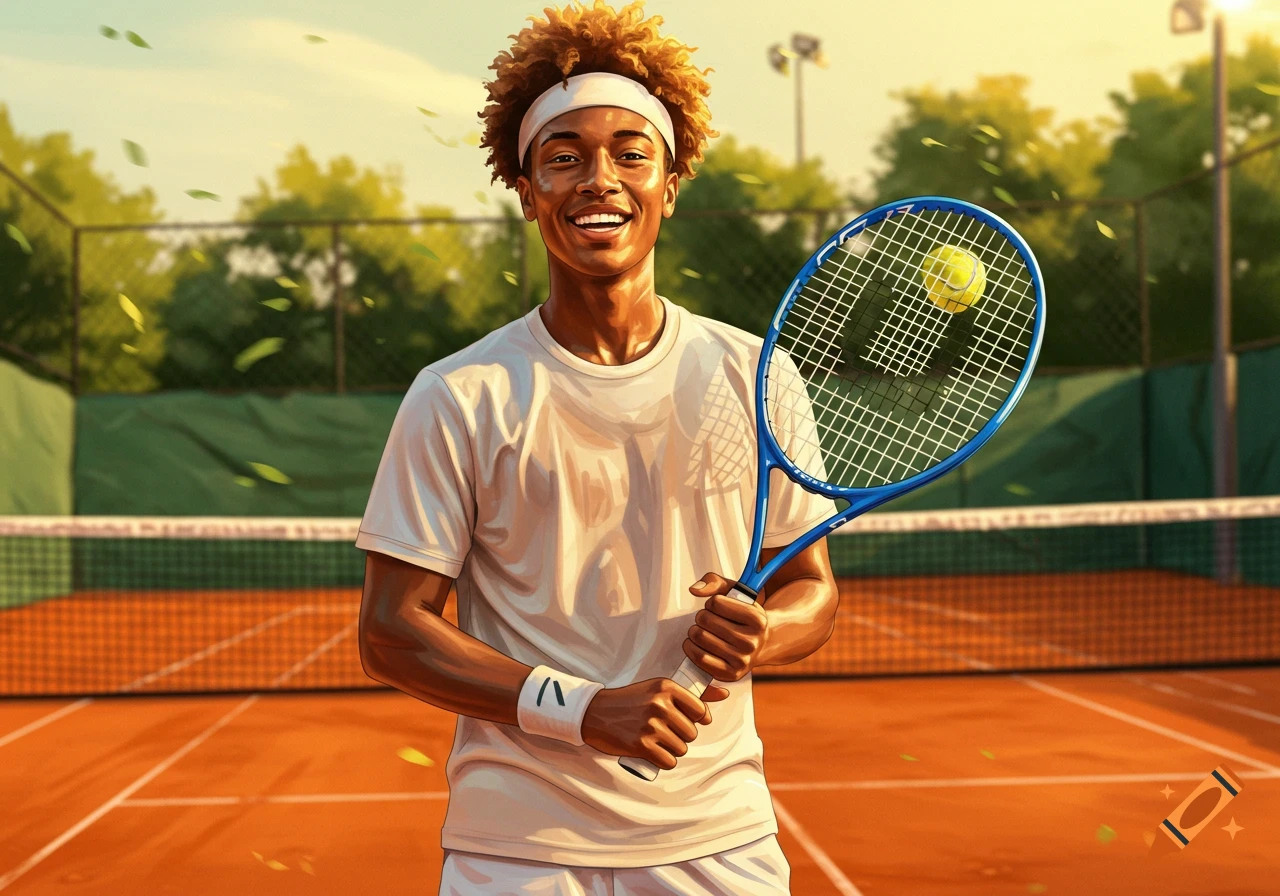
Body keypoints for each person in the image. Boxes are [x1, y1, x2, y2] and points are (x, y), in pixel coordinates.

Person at [356, 3, 840, 893]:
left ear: (670, 179)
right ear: (529, 189)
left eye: (630, 152)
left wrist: (763, 631)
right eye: (564, 157)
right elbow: (391, 633)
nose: (598, 179)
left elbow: (812, 593)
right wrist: (583, 712)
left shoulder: (756, 375)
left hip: (719, 842)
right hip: (518, 851)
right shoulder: (459, 395)